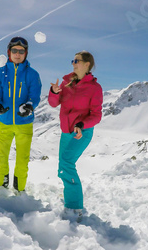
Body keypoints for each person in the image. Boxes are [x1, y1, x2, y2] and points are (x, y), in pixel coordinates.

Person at [48, 50, 103, 219]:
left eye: (77, 60)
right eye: (72, 60)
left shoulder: (94, 88)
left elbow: (97, 115)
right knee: (63, 168)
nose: (73, 63)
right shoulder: (66, 83)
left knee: (66, 163)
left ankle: (74, 208)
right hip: (66, 132)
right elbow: (53, 104)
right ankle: (70, 199)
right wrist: (55, 92)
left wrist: (82, 124)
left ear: (87, 65)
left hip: (82, 132)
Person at [0, 36, 42, 192]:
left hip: (24, 124)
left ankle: (20, 191)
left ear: (26, 54)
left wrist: (29, 106)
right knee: (0, 157)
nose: (17, 54)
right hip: (4, 122)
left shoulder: (32, 74)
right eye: (14, 51)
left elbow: (34, 96)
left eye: (21, 51)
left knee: (22, 160)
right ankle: (1, 189)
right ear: (9, 52)